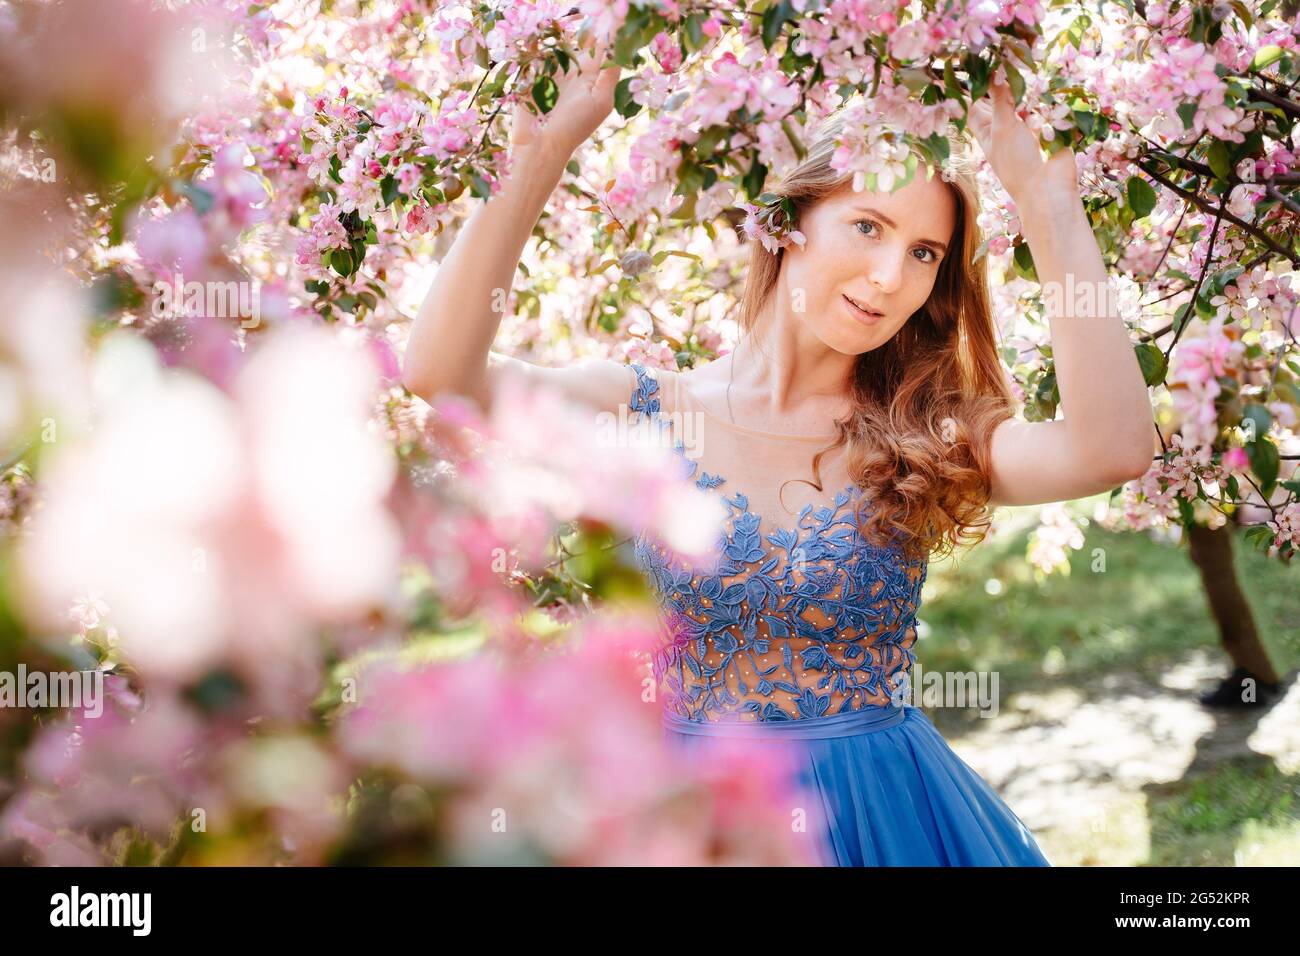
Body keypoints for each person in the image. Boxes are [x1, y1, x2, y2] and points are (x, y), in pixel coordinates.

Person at [403, 42, 1156, 866]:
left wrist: (1049, 206)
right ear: (787, 224)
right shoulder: (646, 409)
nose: (889, 275)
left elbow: (1110, 449)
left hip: (887, 820)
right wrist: (538, 158)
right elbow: (443, 375)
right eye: (867, 225)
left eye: (923, 254)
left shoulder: (926, 434)